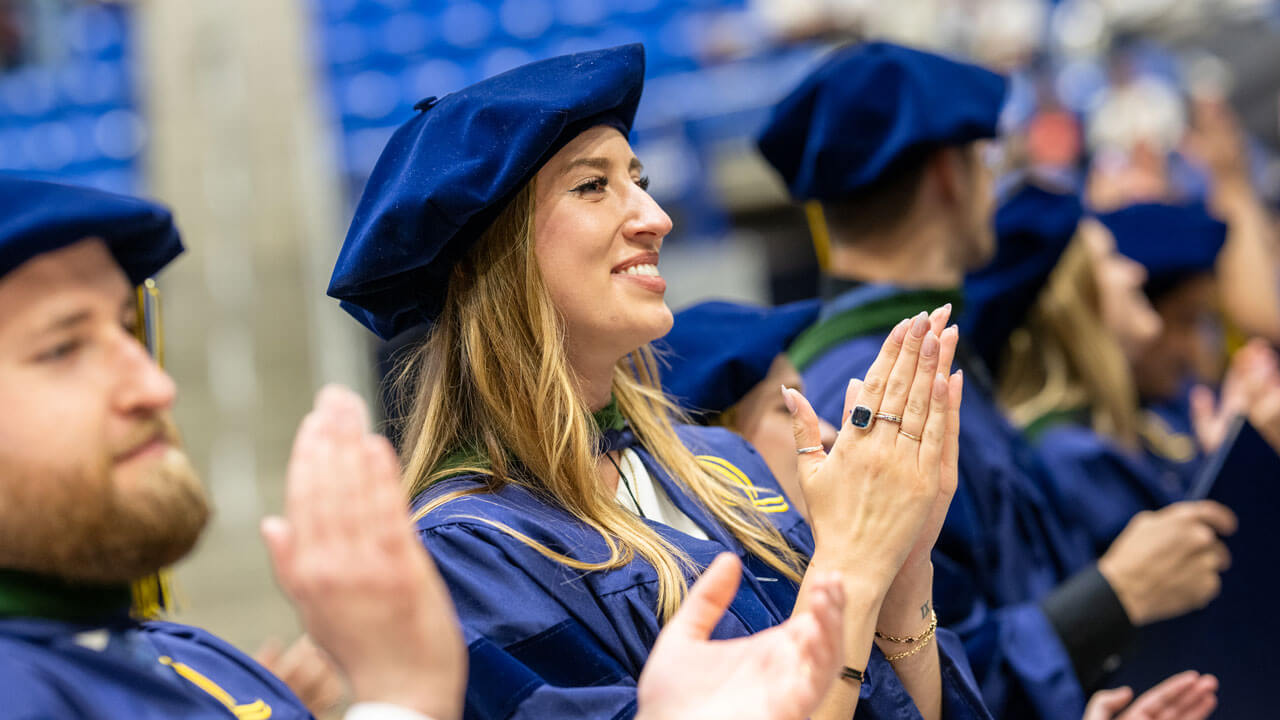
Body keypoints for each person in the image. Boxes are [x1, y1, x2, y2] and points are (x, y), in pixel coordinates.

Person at [0, 176, 852, 720]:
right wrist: (867, 558)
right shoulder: (468, 551)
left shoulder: (192, 659)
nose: (154, 384)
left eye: (125, 331)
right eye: (63, 347)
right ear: (504, 269)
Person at [329, 44, 986, 720]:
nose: (656, 216)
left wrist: (902, 573)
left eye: (637, 178)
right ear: (493, 254)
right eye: (593, 185)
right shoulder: (466, 554)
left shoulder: (722, 469)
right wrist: (850, 567)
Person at [758, 42, 1234, 719]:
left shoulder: (917, 352)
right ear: (950, 176)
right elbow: (898, 662)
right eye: (984, 163)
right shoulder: (874, 385)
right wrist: (1109, 595)